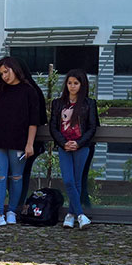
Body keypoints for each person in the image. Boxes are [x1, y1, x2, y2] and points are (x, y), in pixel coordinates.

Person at [0, 57, 43, 227]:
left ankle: (12, 212)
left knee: (16, 178)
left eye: (6, 71)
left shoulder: (29, 91)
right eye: (1, 73)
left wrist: (30, 144)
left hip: (19, 143)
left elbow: (33, 121)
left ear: (15, 69)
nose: (4, 76)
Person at [49, 69, 99, 229]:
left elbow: (92, 128)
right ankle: (81, 215)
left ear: (82, 85)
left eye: (76, 83)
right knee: (68, 180)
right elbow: (53, 127)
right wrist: (64, 143)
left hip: (81, 146)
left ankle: (70, 215)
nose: (72, 86)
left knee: (77, 182)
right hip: (64, 147)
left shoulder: (89, 104)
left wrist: (78, 143)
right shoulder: (57, 103)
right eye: (69, 83)